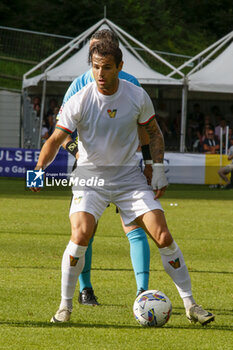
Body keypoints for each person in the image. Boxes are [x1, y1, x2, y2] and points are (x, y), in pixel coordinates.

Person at [32, 42, 214, 326]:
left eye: (106, 67)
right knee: (81, 235)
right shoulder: (79, 99)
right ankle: (65, 307)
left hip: (129, 178)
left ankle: (190, 304)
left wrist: (158, 168)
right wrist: (38, 169)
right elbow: (56, 139)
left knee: (163, 236)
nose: (100, 73)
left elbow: (153, 133)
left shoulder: (137, 96)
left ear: (119, 67)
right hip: (90, 177)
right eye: (95, 67)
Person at [58, 29, 152, 305]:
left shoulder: (131, 84)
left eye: (101, 47)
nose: (96, 54)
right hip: (91, 172)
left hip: (126, 170)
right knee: (87, 230)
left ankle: (142, 291)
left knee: (134, 226)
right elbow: (61, 134)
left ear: (115, 53)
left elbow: (146, 129)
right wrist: (81, 152)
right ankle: (86, 290)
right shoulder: (78, 85)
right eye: (93, 50)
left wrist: (148, 161)